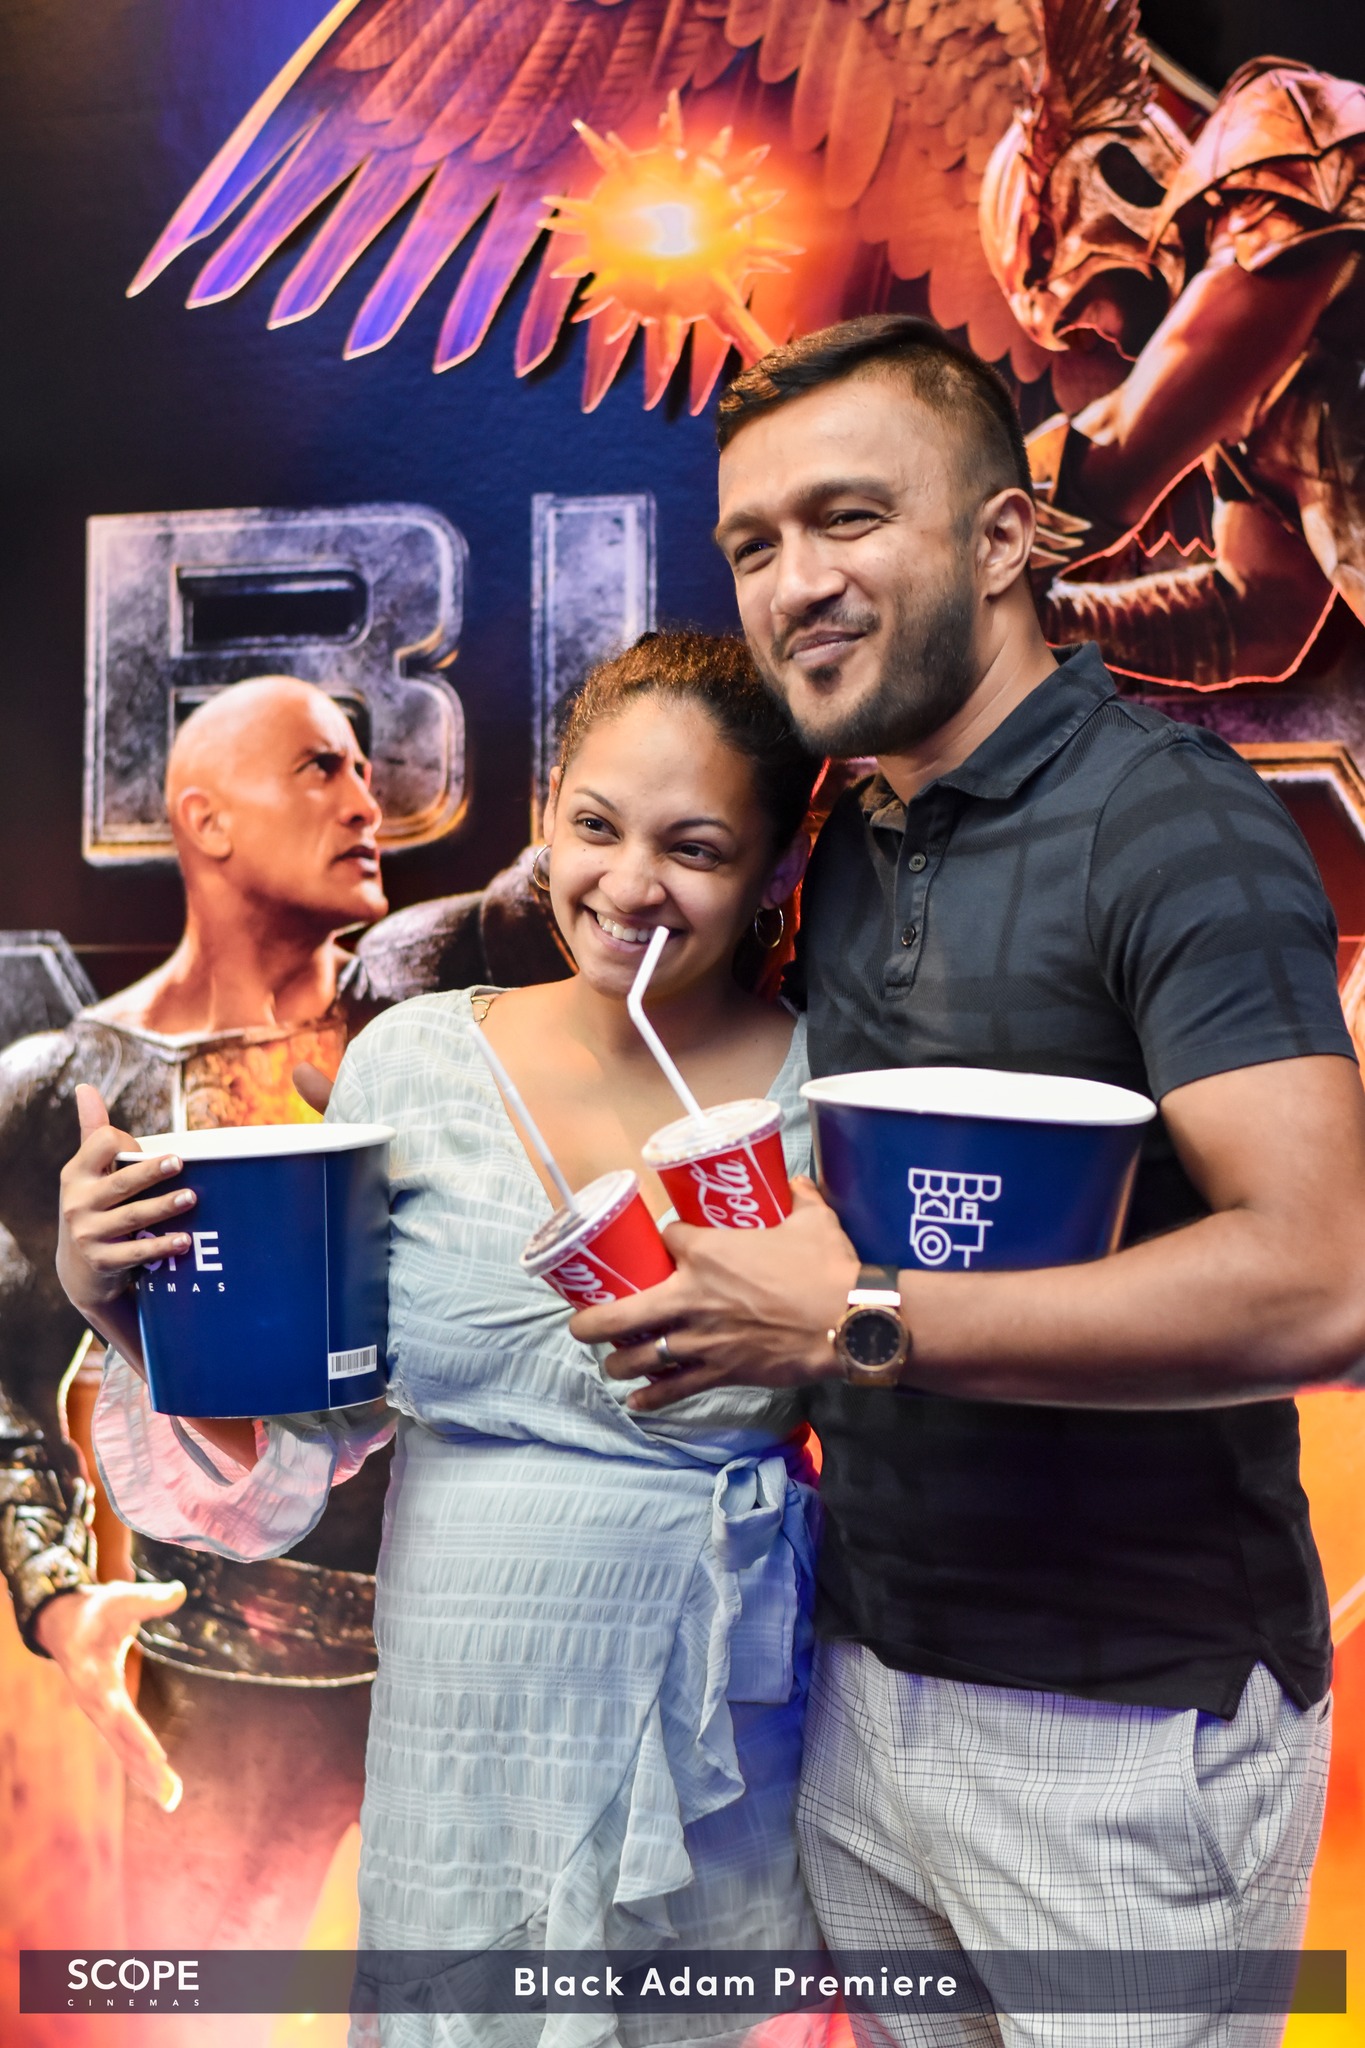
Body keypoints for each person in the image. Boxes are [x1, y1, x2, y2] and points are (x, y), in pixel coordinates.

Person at [569, 318, 1365, 2047]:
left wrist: (859, 1318)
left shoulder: (1170, 824)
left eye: (847, 518)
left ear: (1005, 538)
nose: (793, 583)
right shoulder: (843, 836)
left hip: (1123, 1730)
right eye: (753, 543)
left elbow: (1325, 1282)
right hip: (861, 1692)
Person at [61, 630, 826, 2046]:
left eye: (697, 847)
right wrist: (126, 1304)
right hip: (460, 1739)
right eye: (594, 827)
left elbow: (911, 1403)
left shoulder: (823, 1095)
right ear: (546, 823)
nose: (630, 884)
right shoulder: (414, 1061)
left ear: (778, 868)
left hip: (718, 1728)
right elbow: (293, 1453)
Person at [0, 674, 394, 1976]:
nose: (367, 801)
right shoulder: (62, 1086)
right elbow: (1, 1380)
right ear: (205, 820)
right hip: (214, 1692)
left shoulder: (442, 1022)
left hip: (473, 1659)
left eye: (364, 768)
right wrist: (58, 1597)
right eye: (321, 768)